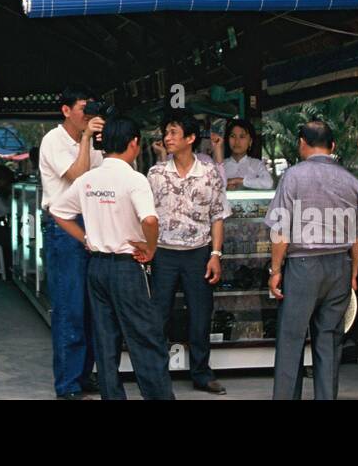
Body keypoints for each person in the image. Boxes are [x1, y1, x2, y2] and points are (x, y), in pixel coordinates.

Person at [51, 115, 173, 401]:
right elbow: (151, 219)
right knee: (145, 339)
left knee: (105, 342)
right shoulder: (134, 179)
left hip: (97, 267)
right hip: (127, 267)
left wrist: (85, 239)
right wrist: (151, 248)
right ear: (134, 144)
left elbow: (58, 211)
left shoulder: (89, 179)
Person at [265, 120, 358, 400]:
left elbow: (281, 232)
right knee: (330, 341)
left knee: (291, 339)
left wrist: (275, 270)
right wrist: (353, 273)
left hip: (303, 268)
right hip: (340, 267)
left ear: (301, 144)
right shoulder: (352, 182)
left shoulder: (293, 177)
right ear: (332, 146)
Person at [147, 110, 229, 394]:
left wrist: (215, 254)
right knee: (159, 315)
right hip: (163, 253)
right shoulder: (156, 173)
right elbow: (147, 216)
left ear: (190, 138)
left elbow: (217, 216)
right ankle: (157, 374)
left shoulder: (209, 174)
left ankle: (202, 374)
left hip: (198, 253)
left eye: (173, 133)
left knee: (200, 314)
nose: (167, 138)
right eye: (166, 132)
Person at [38, 86, 104, 399]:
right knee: (69, 307)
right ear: (66, 110)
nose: (88, 113)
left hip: (91, 222)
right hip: (63, 228)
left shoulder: (92, 141)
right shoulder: (54, 140)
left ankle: (83, 373)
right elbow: (77, 175)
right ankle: (67, 383)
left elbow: (104, 177)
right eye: (82, 107)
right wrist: (87, 140)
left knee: (92, 306)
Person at [213, 117, 273, 190]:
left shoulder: (256, 164)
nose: (237, 141)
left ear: (250, 142)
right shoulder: (221, 165)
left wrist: (239, 180)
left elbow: (268, 183)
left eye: (242, 137)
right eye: (233, 136)